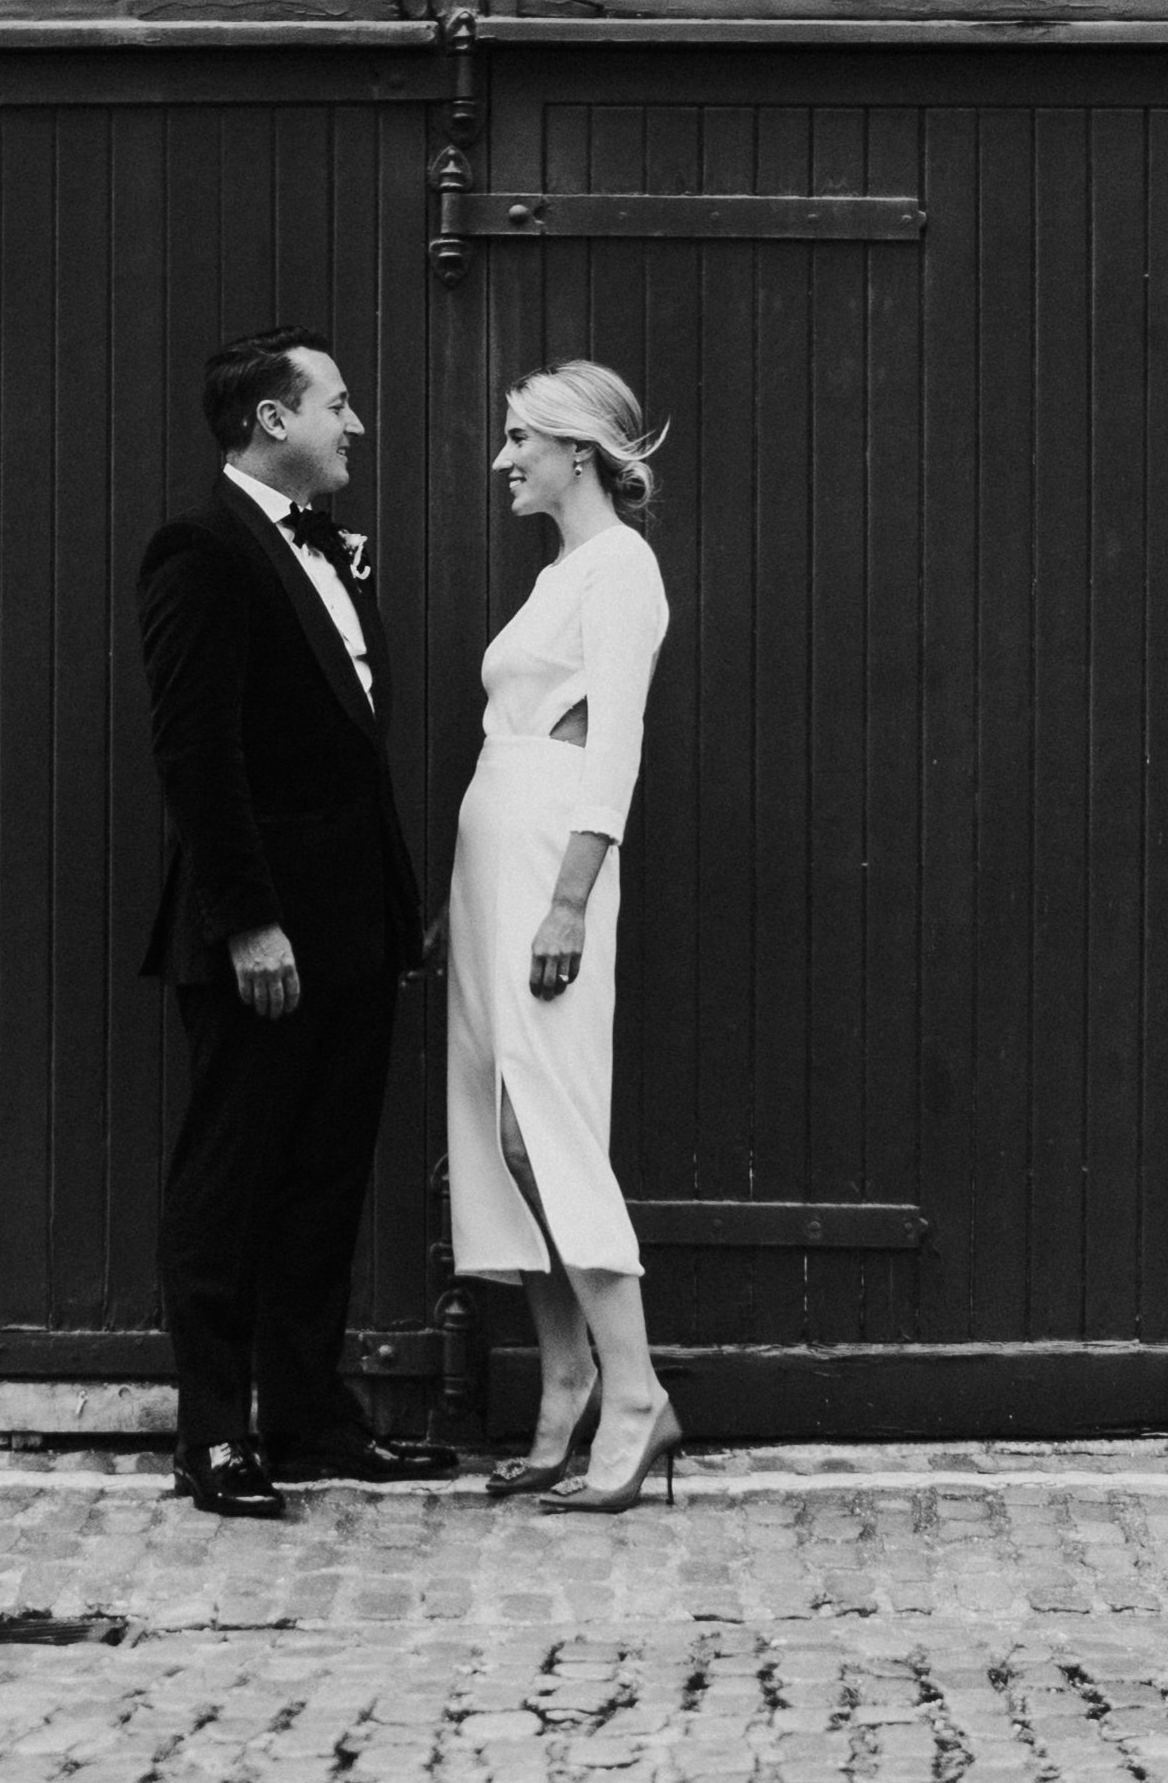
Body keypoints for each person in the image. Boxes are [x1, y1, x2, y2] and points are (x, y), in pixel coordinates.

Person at [139, 325, 455, 1517]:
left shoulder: (327, 550)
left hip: (353, 930)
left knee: (325, 1174)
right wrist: (248, 922)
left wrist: (390, 903)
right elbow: (194, 755)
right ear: (274, 420)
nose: (353, 424)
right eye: (336, 402)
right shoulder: (201, 548)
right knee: (229, 1176)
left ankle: (312, 1414)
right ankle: (214, 1435)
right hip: (259, 936)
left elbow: (348, 753)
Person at [445, 358, 683, 1513]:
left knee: (551, 1118)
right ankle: (564, 1373)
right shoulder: (559, 573)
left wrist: (570, 896)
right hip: (493, 853)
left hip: (550, 857)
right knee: (500, 1127)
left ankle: (632, 1393)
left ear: (575, 452)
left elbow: (615, 744)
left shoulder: (620, 568)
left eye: (518, 442)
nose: (504, 460)